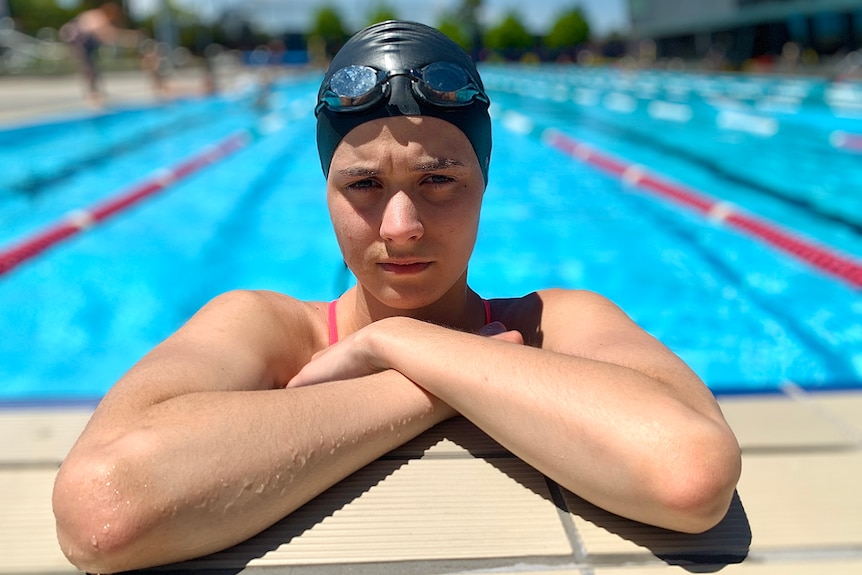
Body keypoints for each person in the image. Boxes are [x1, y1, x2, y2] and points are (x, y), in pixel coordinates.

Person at [52, 20, 742, 574]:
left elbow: (690, 473)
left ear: (485, 184)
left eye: (439, 180)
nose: (400, 227)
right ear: (326, 192)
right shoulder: (260, 324)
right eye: (363, 186)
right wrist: (439, 379)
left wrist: (392, 341)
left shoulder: (559, 319)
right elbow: (101, 512)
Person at [60, 2, 142, 106]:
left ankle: (94, 92)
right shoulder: (99, 18)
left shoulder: (98, 17)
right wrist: (128, 37)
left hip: (79, 40)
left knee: (91, 68)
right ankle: (93, 94)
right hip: (76, 40)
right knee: (89, 68)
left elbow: (108, 35)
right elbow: (107, 35)